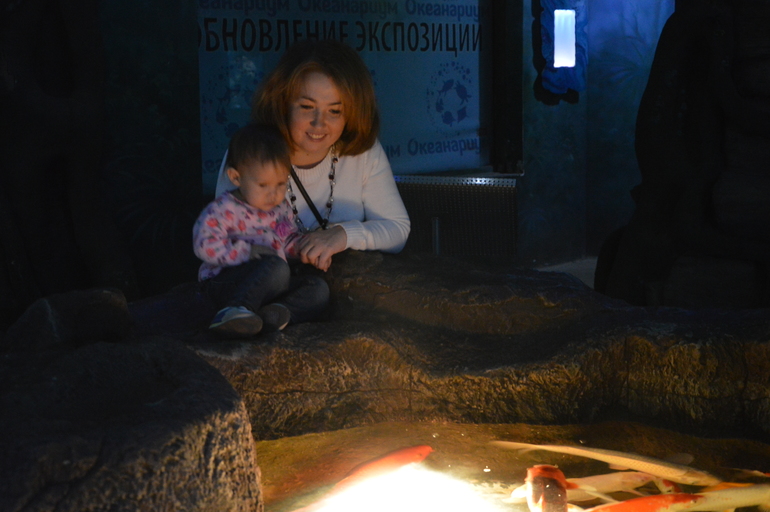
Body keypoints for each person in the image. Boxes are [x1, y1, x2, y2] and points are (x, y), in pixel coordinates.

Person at [214, 38, 410, 272]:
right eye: (307, 107)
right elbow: (225, 238)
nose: (319, 123)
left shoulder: (362, 151)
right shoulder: (251, 152)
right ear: (283, 103)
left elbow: (397, 230)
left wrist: (342, 235)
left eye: (334, 111)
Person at [194, 123, 330, 338]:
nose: (273, 194)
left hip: (271, 284)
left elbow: (287, 238)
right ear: (236, 177)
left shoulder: (280, 207)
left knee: (318, 288)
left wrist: (305, 248)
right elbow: (204, 245)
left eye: (280, 184)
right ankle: (234, 312)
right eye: (263, 185)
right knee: (277, 267)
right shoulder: (224, 209)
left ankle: (273, 315)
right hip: (225, 283)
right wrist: (245, 252)